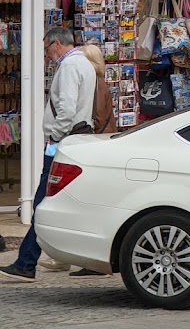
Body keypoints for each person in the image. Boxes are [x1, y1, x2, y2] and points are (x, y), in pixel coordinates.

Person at [0, 27, 96, 282]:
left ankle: (26, 262)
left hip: (62, 142)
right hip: (77, 139)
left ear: (56, 44)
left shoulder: (68, 67)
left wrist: (54, 136)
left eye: (46, 48)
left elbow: (65, 108)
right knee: (74, 200)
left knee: (44, 201)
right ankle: (88, 258)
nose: (46, 54)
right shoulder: (84, 64)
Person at [67, 45, 117, 279]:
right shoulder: (99, 82)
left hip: (94, 142)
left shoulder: (96, 84)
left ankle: (93, 260)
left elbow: (97, 116)